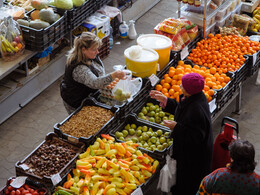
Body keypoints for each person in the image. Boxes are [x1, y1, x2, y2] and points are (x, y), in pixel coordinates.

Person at [150, 72, 213, 195]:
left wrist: (176, 127)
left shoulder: (197, 110)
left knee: (187, 184)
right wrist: (166, 101)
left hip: (194, 158)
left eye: (182, 86)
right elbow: (182, 109)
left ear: (189, 90)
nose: (180, 86)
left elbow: (196, 137)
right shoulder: (195, 98)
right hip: (188, 152)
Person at [60, 32, 126, 114]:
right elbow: (95, 83)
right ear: (83, 49)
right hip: (76, 101)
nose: (97, 52)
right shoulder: (79, 68)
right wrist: (113, 75)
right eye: (94, 49)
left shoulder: (89, 55)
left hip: (89, 95)